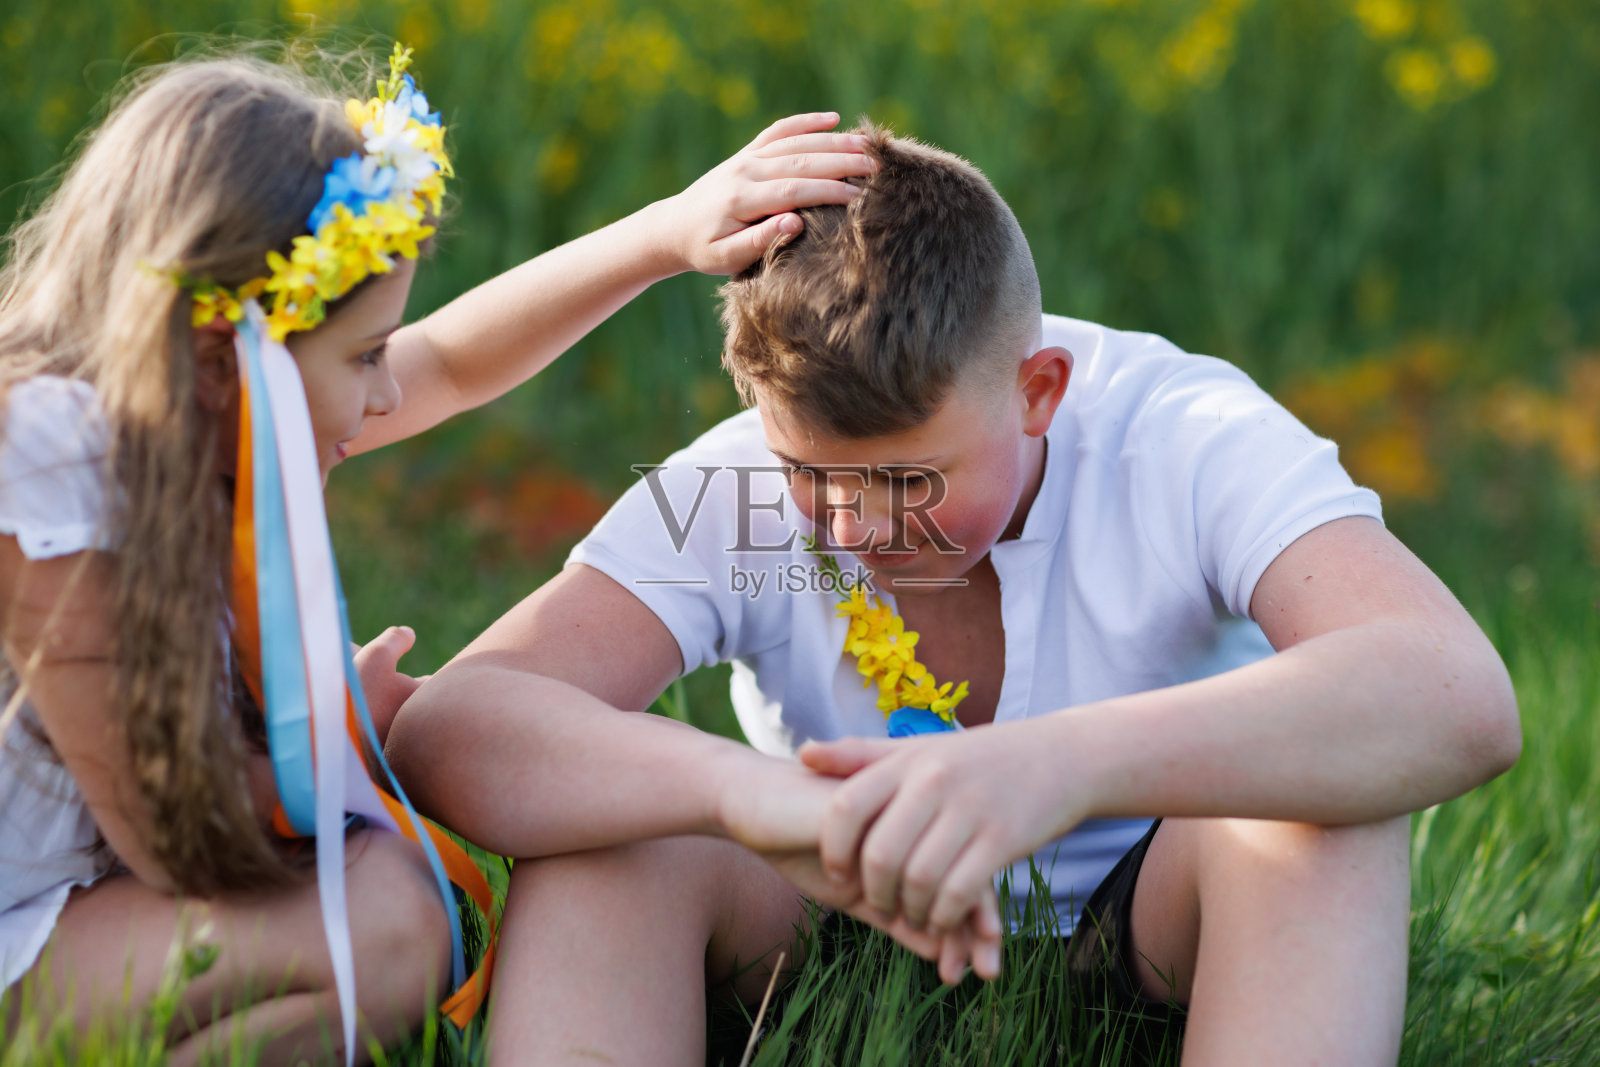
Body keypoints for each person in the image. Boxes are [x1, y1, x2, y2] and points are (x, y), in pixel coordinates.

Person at [386, 122, 1523, 1066]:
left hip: (1149, 926)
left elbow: (1452, 689)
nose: (851, 527)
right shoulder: (736, 488)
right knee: (610, 835)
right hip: (831, 921)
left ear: (1039, 390)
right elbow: (458, 724)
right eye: (808, 474)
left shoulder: (1185, 436)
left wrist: (1059, 763)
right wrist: (744, 796)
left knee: (1313, 814)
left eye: (905, 480)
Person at [0, 41, 877, 1064]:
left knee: (393, 906)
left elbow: (453, 364)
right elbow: (171, 836)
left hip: (81, 895)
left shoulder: (208, 413)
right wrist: (333, 745)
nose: (385, 392)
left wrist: (665, 235)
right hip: (47, 907)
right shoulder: (50, 468)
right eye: (365, 355)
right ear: (216, 358)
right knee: (382, 930)